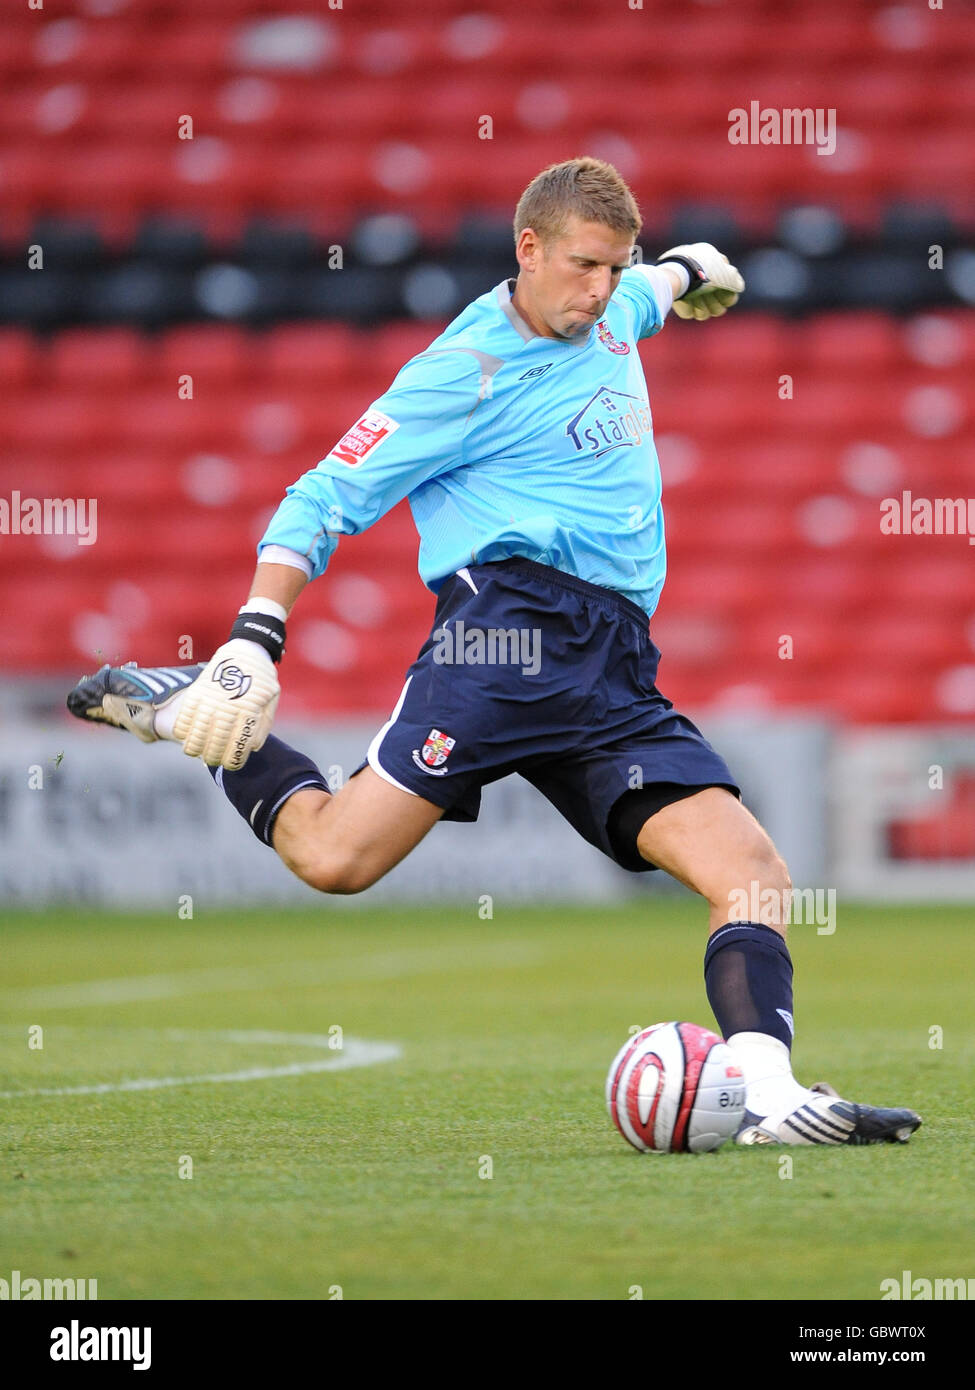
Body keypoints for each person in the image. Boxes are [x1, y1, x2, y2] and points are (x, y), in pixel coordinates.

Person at [68, 157, 920, 1146]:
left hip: (610, 664)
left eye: (615, 267)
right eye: (584, 266)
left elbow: (657, 288)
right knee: (335, 858)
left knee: (755, 870)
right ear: (529, 250)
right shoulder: (460, 372)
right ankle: (199, 717)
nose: (600, 288)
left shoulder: (612, 306)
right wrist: (258, 632)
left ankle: (769, 1097)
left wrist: (692, 271)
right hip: (506, 640)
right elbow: (321, 495)